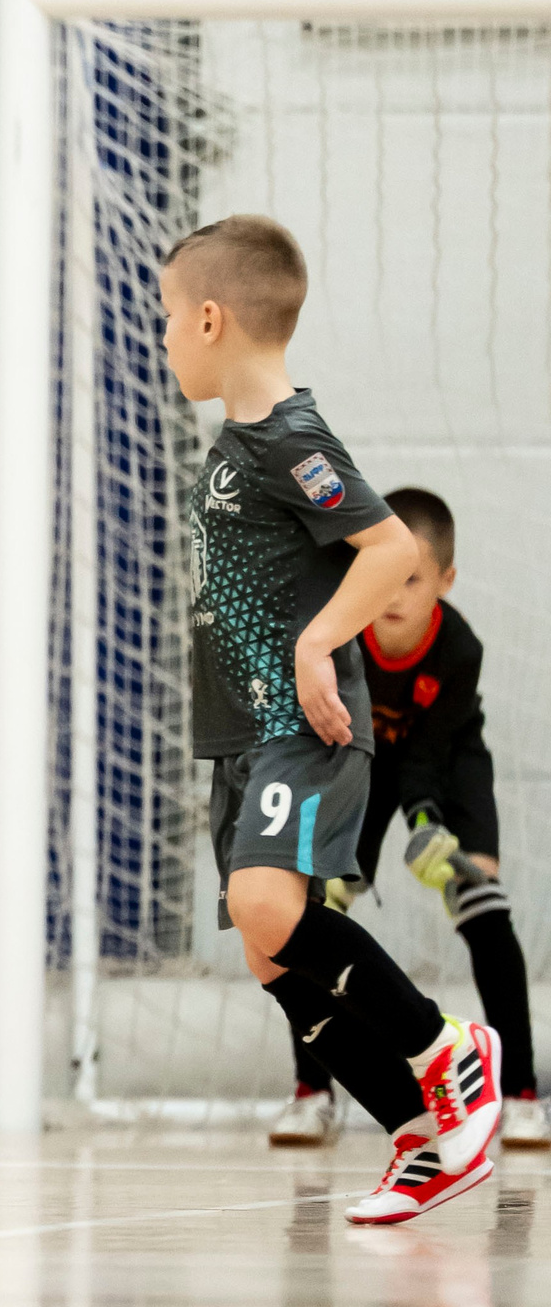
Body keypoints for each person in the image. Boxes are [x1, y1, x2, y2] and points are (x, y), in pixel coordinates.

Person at [164, 215, 500, 1226]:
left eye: (169, 318)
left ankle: (452, 1053)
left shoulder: (288, 439)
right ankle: (417, 1138)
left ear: (213, 319)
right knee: (275, 957)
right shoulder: (241, 440)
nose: (167, 336)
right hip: (239, 734)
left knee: (272, 913)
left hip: (295, 728)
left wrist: (317, 646)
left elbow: (390, 548)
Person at [270, 488, 543, 1150]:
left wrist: (427, 824)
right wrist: (332, 850)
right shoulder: (339, 633)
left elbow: (427, 754)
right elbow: (324, 735)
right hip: (355, 762)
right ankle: (314, 1092)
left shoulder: (459, 648)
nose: (392, 592)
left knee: (479, 900)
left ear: (446, 582)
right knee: (309, 912)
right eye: (382, 573)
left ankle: (523, 1094)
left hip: (448, 758)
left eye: (412, 577)